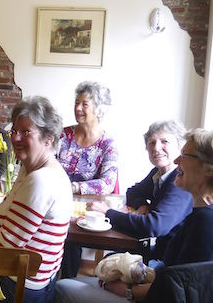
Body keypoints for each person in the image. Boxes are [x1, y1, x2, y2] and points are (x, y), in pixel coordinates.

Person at [55, 128, 213, 303]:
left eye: (184, 156)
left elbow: (180, 291)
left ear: (208, 169)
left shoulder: (205, 222)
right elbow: (175, 275)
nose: (177, 161)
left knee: (62, 288)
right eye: (151, 143)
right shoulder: (197, 212)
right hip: (155, 277)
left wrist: (128, 290)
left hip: (150, 295)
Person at [0, 96, 72, 303]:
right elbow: (5, 208)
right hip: (33, 277)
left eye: (26, 131)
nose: (16, 138)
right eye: (14, 131)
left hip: (22, 285)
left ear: (49, 138)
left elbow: (6, 246)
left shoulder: (41, 180)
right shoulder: (30, 168)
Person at [89, 121, 193, 261]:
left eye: (164, 141)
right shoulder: (158, 172)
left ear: (179, 146)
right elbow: (133, 192)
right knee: (110, 259)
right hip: (153, 247)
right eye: (151, 143)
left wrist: (108, 212)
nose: (156, 148)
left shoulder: (180, 181)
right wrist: (143, 205)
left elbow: (155, 225)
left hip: (166, 261)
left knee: (109, 260)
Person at [58, 81, 119, 195]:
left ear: (99, 109)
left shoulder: (108, 144)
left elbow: (108, 183)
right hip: (54, 199)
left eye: (84, 104)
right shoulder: (62, 135)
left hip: (88, 207)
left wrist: (74, 187)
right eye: (76, 103)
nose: (78, 108)